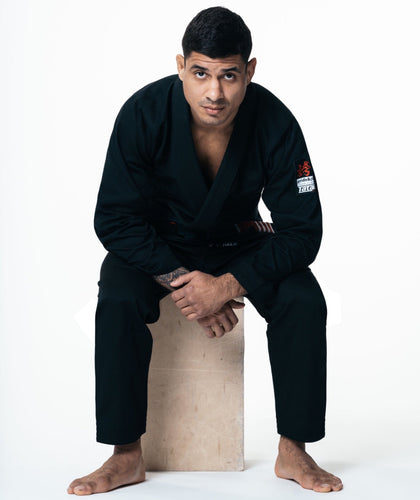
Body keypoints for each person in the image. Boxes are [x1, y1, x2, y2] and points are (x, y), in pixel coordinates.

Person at [67, 6, 343, 495]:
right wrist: (182, 281)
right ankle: (125, 454)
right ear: (181, 66)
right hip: (160, 243)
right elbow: (114, 218)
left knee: (302, 299)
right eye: (200, 73)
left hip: (239, 242)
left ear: (249, 71)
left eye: (229, 75)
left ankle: (294, 449)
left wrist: (227, 285)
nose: (214, 92)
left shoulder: (276, 122)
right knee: (118, 296)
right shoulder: (143, 113)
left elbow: (304, 232)